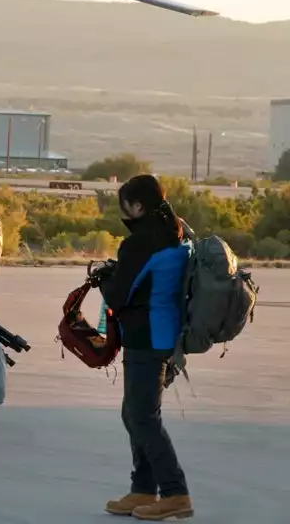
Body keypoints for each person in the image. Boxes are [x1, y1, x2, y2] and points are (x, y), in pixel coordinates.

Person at [96, 174, 193, 520]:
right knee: (135, 413)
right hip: (164, 334)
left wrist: (105, 279)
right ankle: (143, 488)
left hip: (147, 336)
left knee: (142, 416)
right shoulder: (177, 231)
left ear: (137, 206)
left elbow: (119, 296)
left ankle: (174, 492)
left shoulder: (140, 243)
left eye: (126, 206)